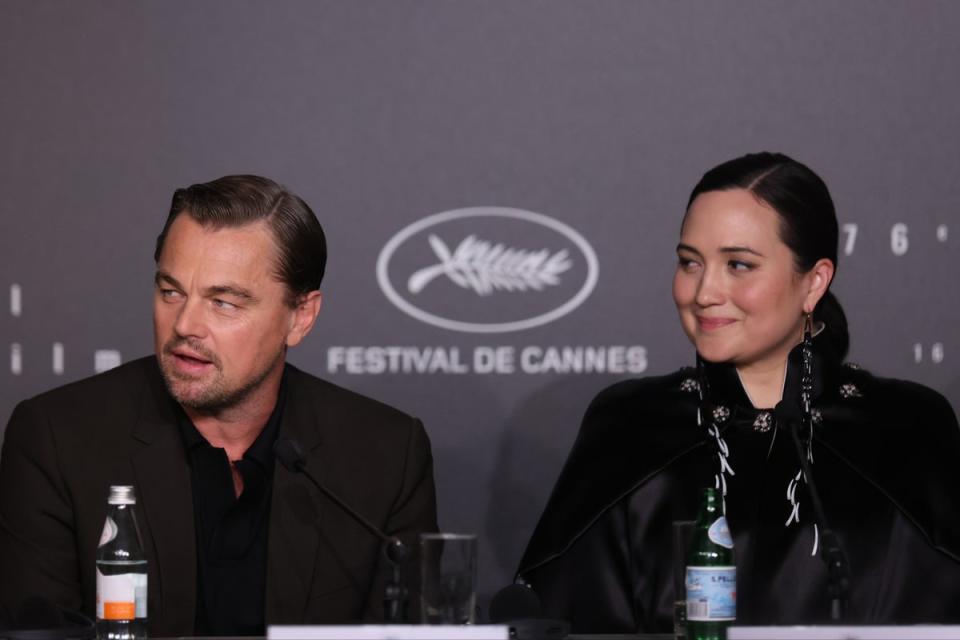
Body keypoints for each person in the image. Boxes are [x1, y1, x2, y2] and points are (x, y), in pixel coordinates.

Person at [516, 152, 960, 632]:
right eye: (690, 263)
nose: (704, 290)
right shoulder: (630, 422)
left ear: (814, 282)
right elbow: (561, 617)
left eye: (739, 265)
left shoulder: (906, 424)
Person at [0, 175, 438, 636]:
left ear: (300, 316)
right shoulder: (57, 439)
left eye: (224, 302)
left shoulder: (386, 456)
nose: (185, 324)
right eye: (171, 292)